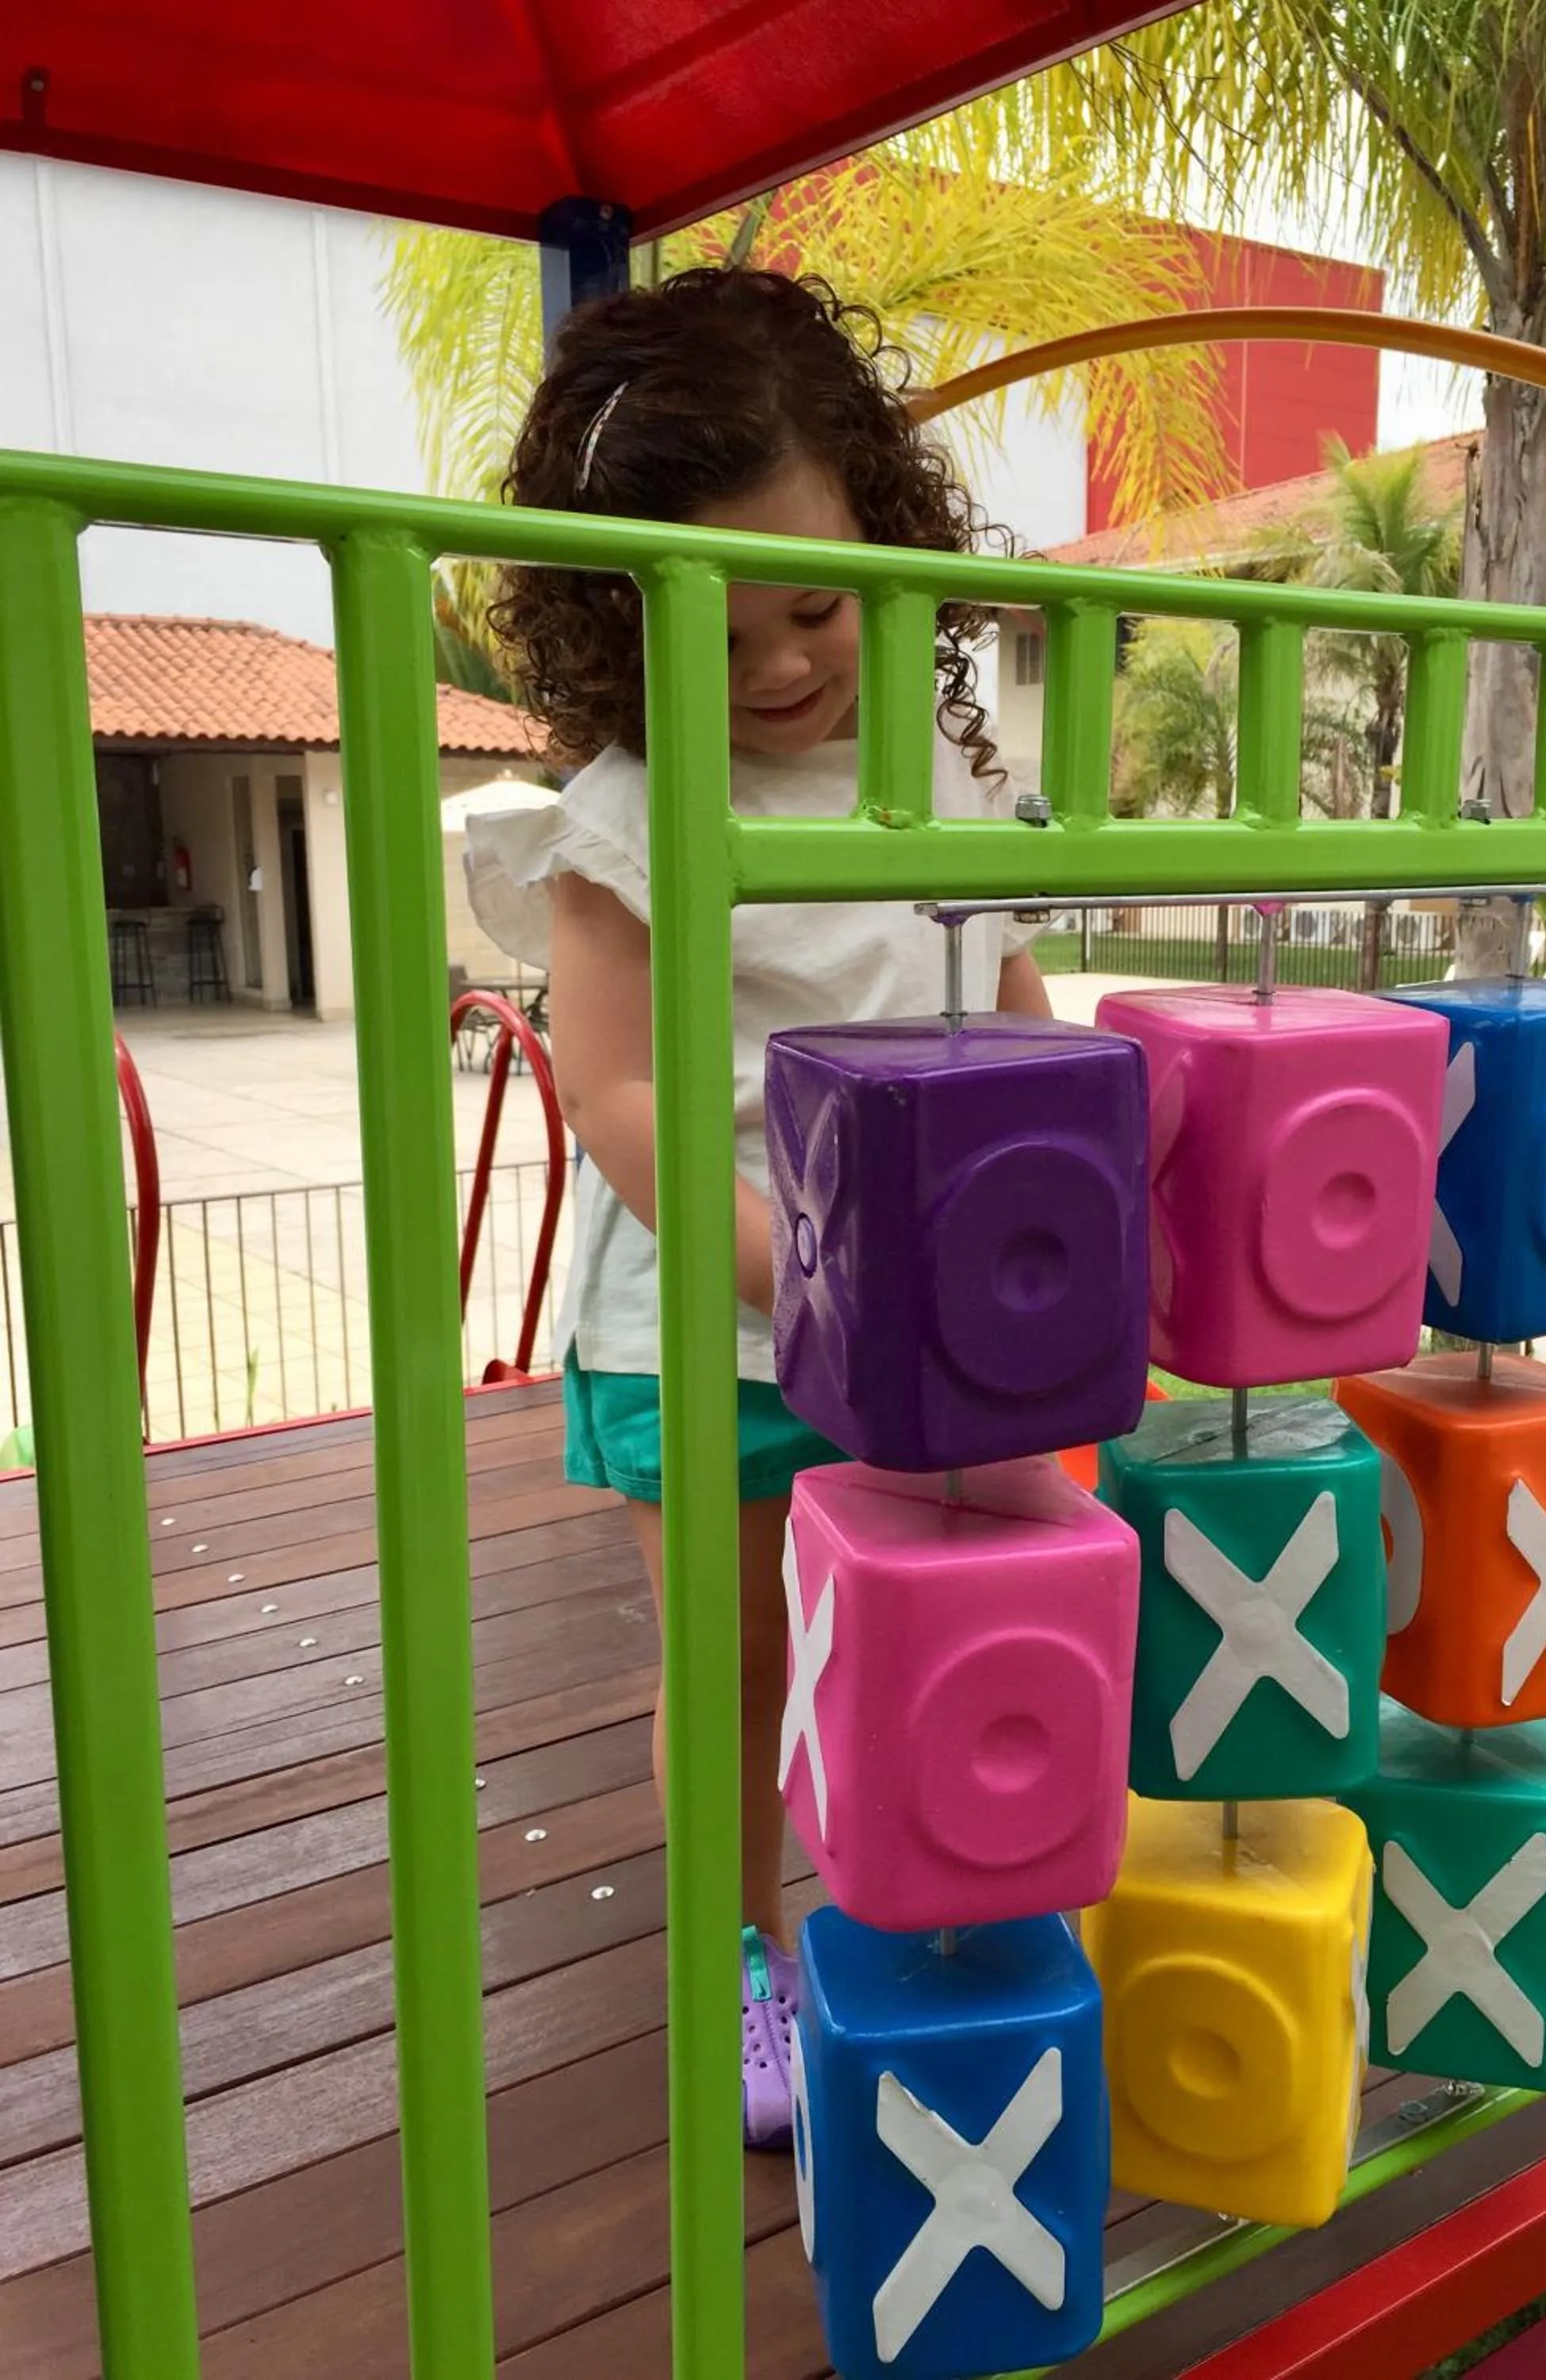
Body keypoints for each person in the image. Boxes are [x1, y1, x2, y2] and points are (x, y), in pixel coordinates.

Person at [466, 267, 1051, 2150]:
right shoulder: (623, 814)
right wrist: (816, 1270)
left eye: (819, 604)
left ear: (890, 541)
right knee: (736, 1671)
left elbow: (1020, 1008)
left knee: (961, 1627)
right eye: (722, 632)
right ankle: (745, 1962)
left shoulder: (954, 767)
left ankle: (956, 1903)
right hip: (716, 1333)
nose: (785, 665)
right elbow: (621, 1096)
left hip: (954, 1328)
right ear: (616, 626)